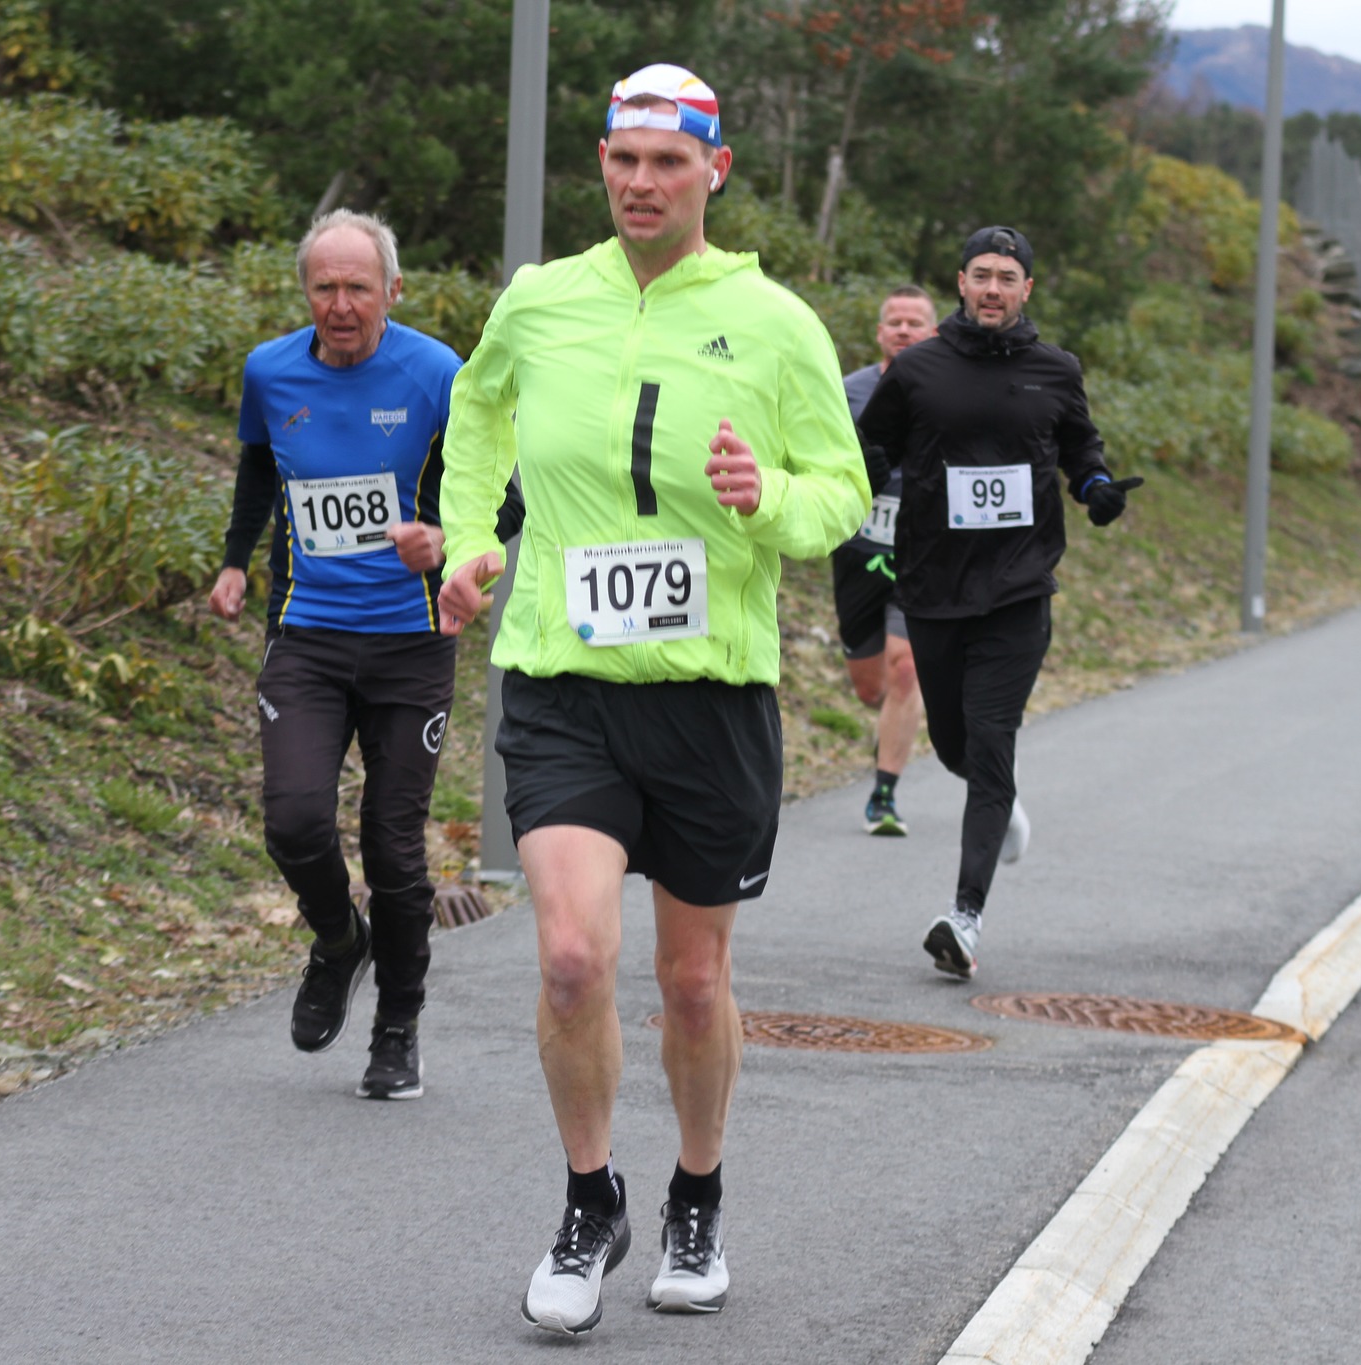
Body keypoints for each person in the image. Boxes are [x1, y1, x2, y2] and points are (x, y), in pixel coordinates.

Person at [435, 63, 867, 1335]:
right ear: (603, 166)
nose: (640, 183)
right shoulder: (540, 301)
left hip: (706, 696)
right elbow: (475, 411)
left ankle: (697, 1194)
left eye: (667, 163)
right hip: (561, 683)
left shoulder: (773, 321)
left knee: (690, 978)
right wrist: (473, 537)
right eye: (623, 160)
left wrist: (766, 498)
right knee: (571, 958)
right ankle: (588, 1202)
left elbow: (840, 492)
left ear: (712, 172)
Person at [208, 209, 522, 1101]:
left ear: (392, 290)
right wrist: (234, 559)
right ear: (305, 292)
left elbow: (508, 494)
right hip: (306, 635)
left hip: (410, 644)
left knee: (393, 848)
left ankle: (397, 1030)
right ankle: (339, 940)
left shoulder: (437, 373)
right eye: (324, 287)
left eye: (357, 287)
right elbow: (258, 467)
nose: (340, 305)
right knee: (293, 822)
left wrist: (447, 540)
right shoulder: (270, 371)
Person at [856, 225, 1139, 980]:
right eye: (980, 274)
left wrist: (1096, 489)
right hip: (934, 586)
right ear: (960, 282)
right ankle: (999, 798)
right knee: (955, 745)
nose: (992, 288)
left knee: (989, 738)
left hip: (1018, 590)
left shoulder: (1056, 370)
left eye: (1006, 278)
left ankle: (965, 917)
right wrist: (868, 490)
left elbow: (1080, 450)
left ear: (1026, 290)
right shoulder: (918, 369)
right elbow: (870, 447)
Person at [834, 285, 935, 835]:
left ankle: (883, 796)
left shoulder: (949, 391)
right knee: (871, 687)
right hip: (858, 552)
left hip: (919, 553)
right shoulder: (847, 391)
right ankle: (898, 718)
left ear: (933, 332)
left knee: (906, 668)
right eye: (894, 321)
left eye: (915, 322)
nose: (903, 329)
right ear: (879, 333)